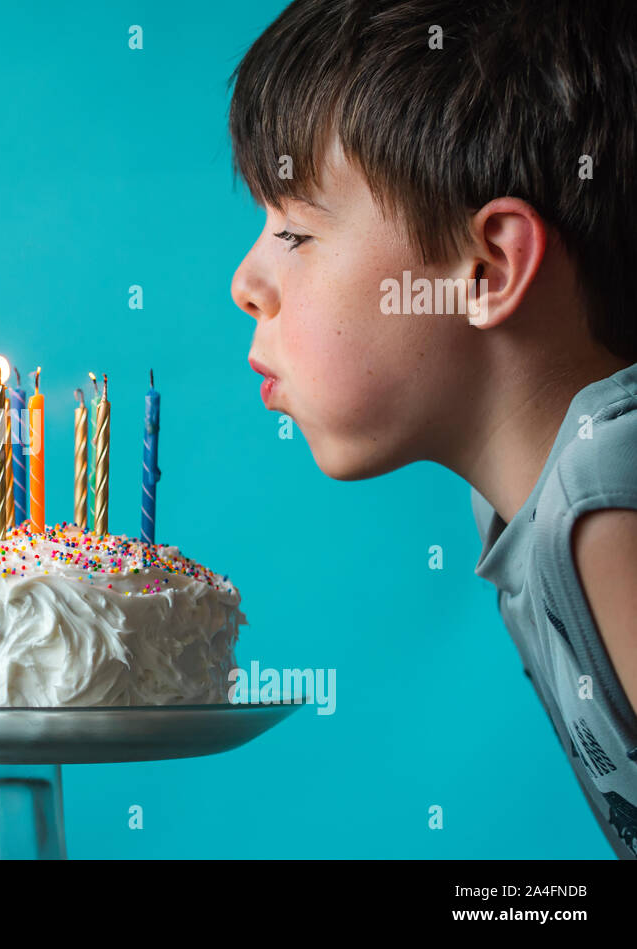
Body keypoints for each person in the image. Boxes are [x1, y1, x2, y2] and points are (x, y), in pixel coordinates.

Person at [228, 0, 637, 858]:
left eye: (295, 231)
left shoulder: (611, 494)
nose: (246, 280)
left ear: (487, 267)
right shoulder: (534, 506)